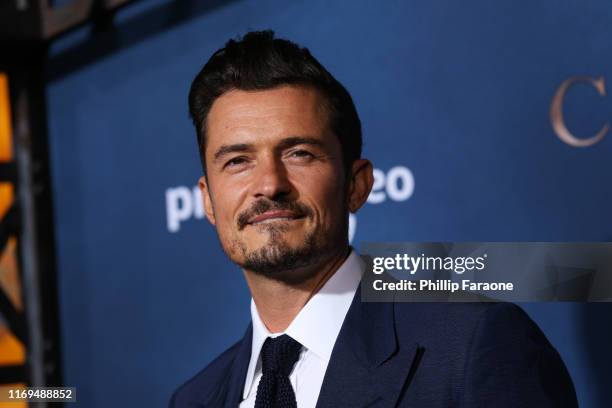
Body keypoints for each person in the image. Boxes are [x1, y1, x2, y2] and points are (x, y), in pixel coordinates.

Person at [170, 30, 577, 408]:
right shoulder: (194, 399)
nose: (270, 184)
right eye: (238, 161)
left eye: (299, 154)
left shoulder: (474, 346)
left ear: (357, 184)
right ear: (207, 200)